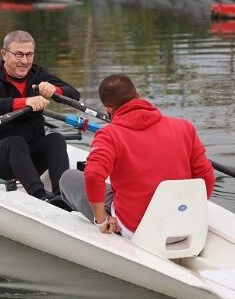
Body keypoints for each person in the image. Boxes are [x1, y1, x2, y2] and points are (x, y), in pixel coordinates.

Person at [59, 73, 215, 236]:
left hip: (135, 229)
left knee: (68, 177)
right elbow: (207, 177)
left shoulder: (109, 136)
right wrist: (192, 212)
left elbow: (93, 176)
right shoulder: (184, 127)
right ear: (138, 96)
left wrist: (102, 220)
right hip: (182, 222)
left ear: (108, 109)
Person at [0, 30, 80, 201]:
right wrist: (24, 102)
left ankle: (62, 196)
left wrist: (55, 90)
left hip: (31, 157)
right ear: (4, 54)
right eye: (18, 55)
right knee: (15, 142)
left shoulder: (38, 74)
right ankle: (40, 196)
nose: (24, 61)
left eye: (29, 55)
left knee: (56, 139)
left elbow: (74, 95)